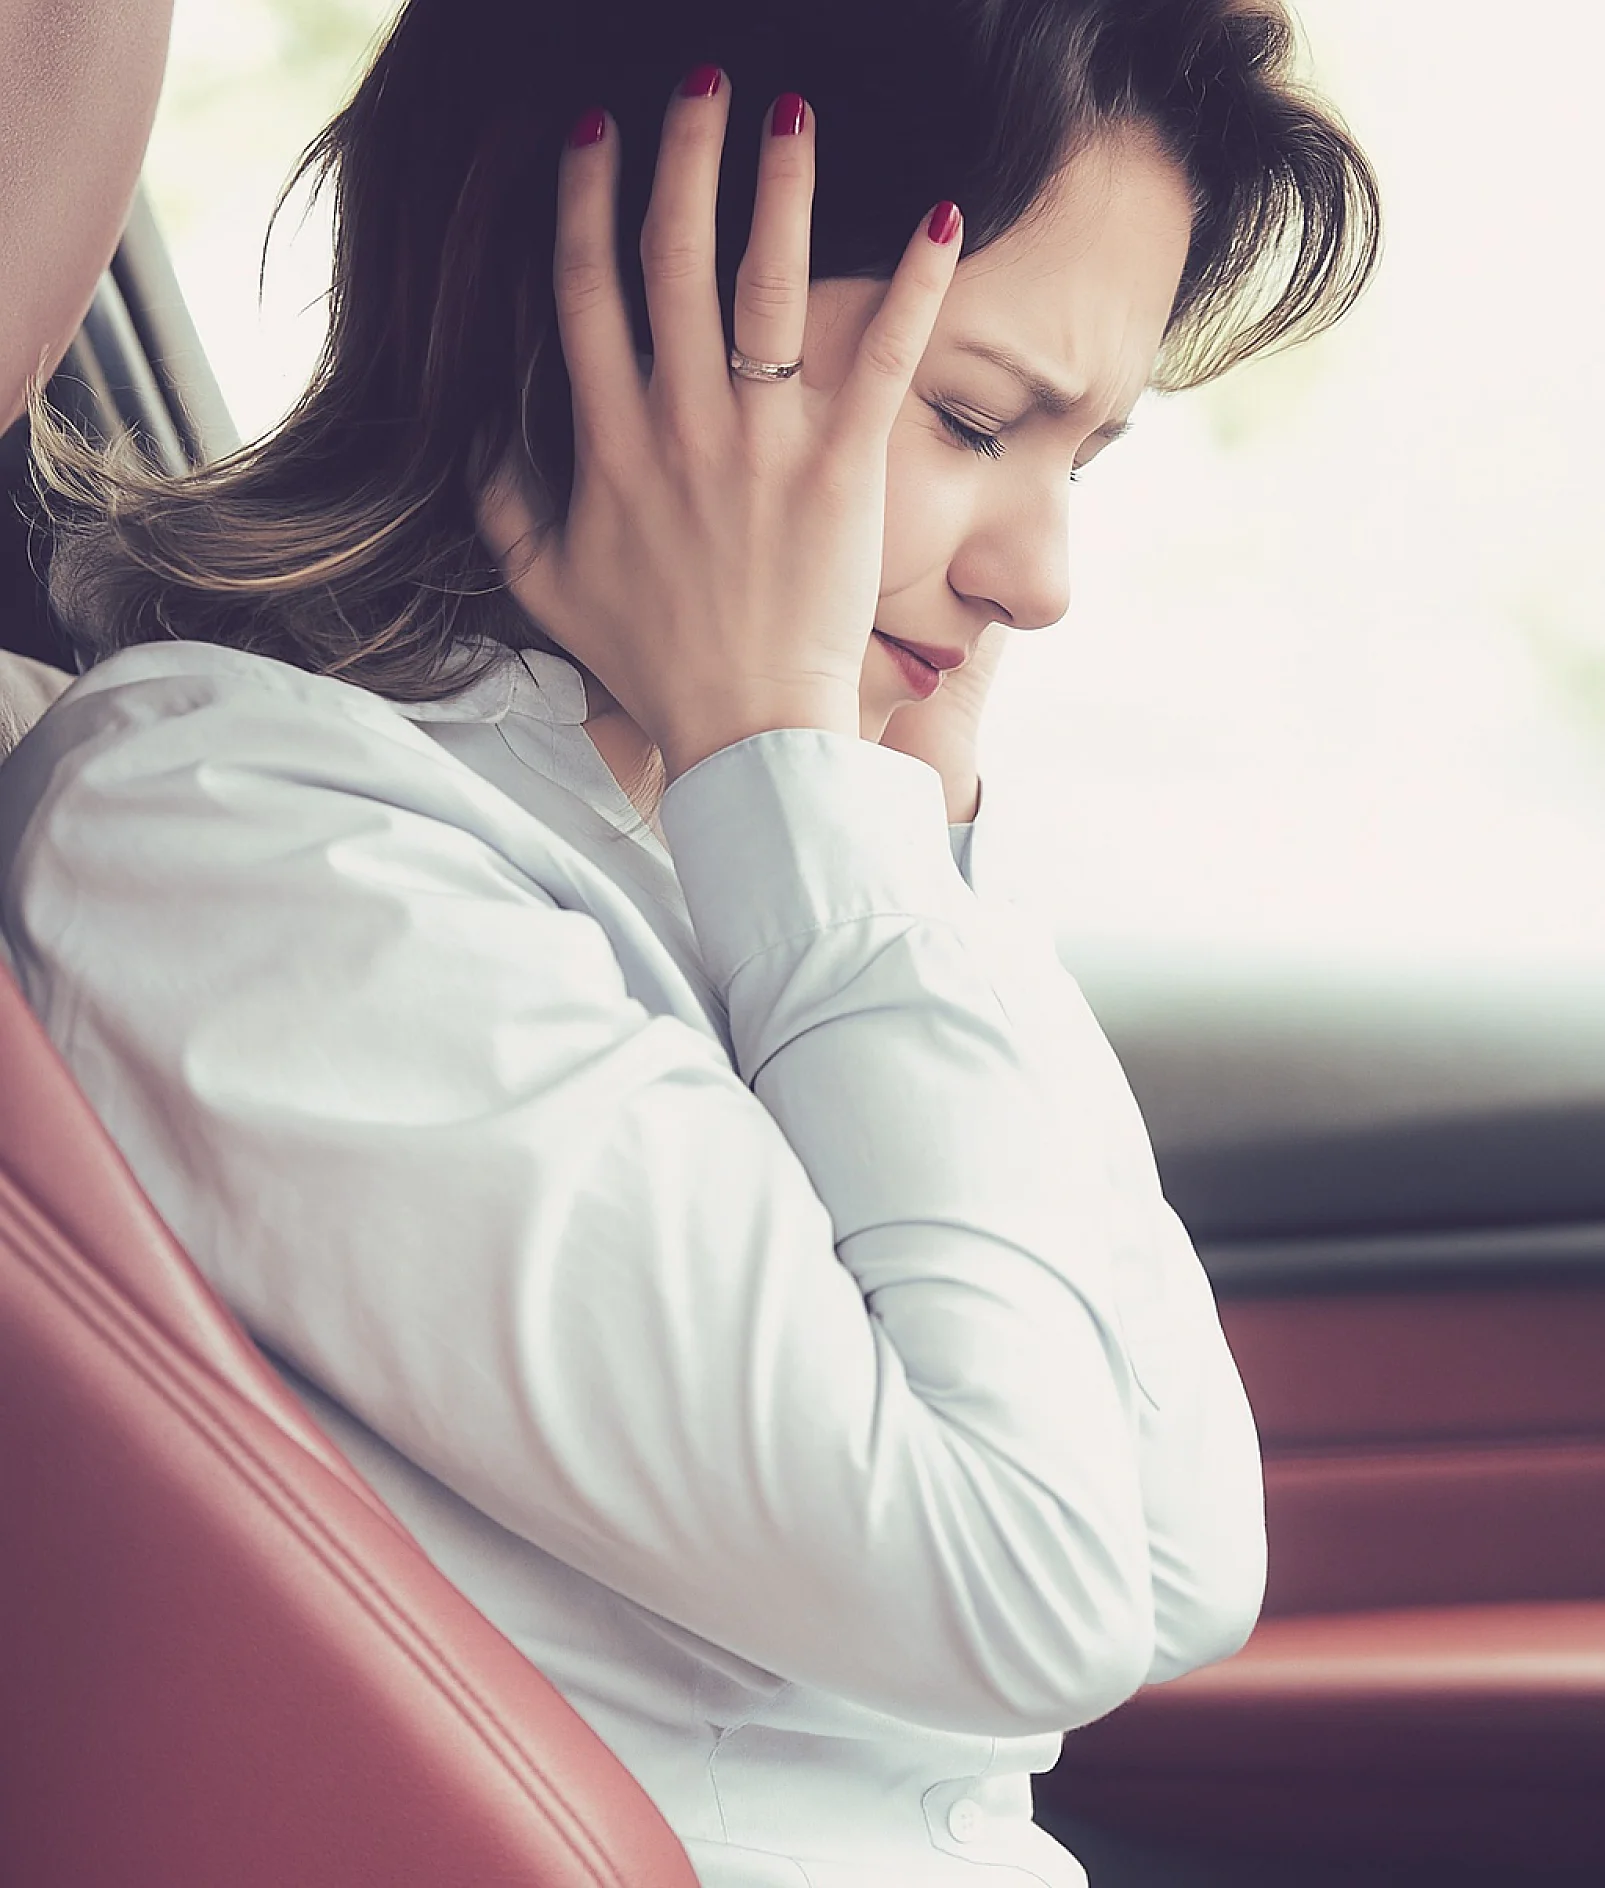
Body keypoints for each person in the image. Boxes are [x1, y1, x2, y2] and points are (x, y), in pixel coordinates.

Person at [0, 2, 1379, 1882]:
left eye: (1084, 459)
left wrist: (889, 837)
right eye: (975, 419)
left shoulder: (725, 836)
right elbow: (1043, 1586)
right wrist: (800, 789)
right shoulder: (246, 850)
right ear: (618, 315)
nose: (1042, 580)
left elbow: (1187, 1558)